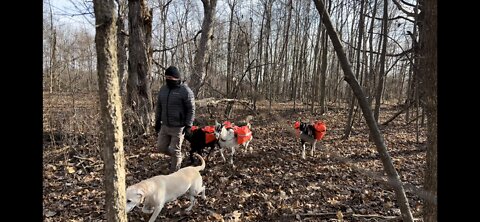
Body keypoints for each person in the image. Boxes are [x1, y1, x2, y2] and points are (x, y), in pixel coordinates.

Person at [154, 66, 195, 173]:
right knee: (160, 148)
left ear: (176, 78)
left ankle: (173, 174)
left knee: (174, 150)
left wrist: (188, 126)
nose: (168, 80)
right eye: (166, 77)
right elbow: (159, 106)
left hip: (179, 127)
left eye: (170, 78)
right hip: (165, 125)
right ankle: (178, 157)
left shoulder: (185, 91)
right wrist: (157, 121)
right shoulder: (163, 89)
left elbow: (191, 109)